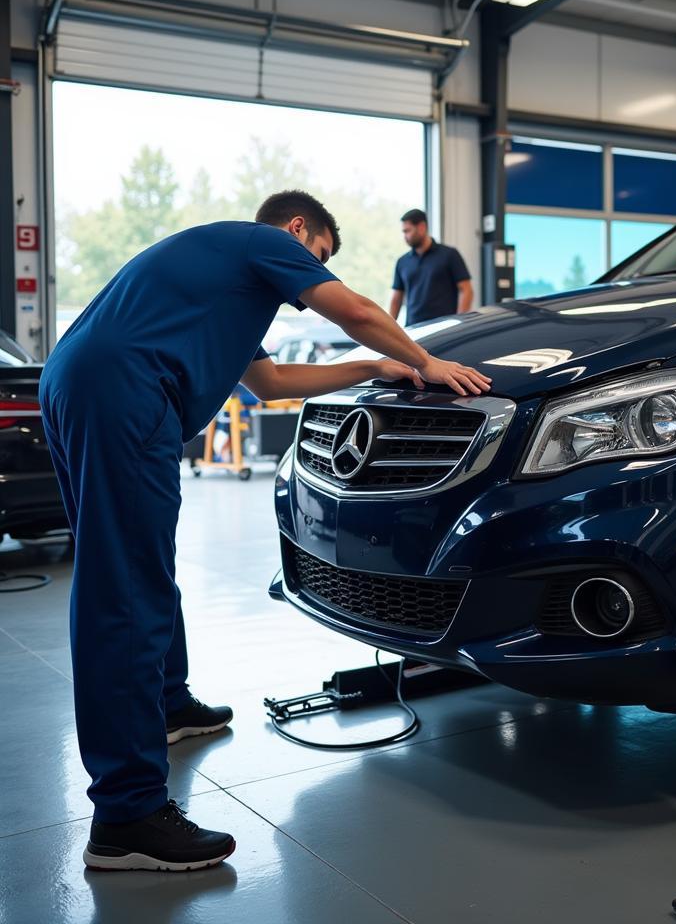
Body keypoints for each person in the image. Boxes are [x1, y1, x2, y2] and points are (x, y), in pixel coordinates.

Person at [38, 190, 491, 873]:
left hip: (93, 383)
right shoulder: (263, 244)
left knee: (140, 565)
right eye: (321, 256)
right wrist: (426, 363)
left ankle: (166, 702)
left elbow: (272, 382)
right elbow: (360, 310)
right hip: (122, 392)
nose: (312, 277)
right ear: (298, 229)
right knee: (121, 589)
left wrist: (372, 368)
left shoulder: (223, 282)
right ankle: (126, 815)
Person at [389, 208, 473, 325]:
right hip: (413, 329)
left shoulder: (450, 255)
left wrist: (459, 322)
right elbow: (396, 299)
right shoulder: (402, 262)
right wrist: (389, 326)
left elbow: (466, 290)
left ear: (422, 227)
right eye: (403, 232)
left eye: (407, 231)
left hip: (444, 328)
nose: (405, 236)